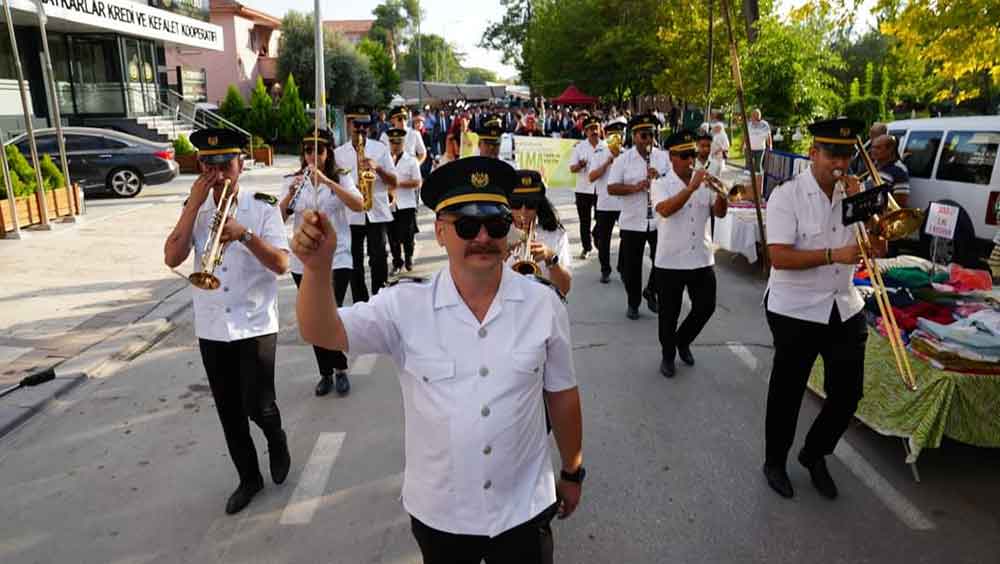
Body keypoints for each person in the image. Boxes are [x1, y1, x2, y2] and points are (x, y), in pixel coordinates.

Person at [292, 156, 585, 563]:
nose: (482, 236)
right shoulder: (404, 306)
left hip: (524, 508)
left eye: (495, 224)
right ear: (441, 232)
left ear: (509, 231)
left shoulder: (544, 304)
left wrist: (572, 471)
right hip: (441, 515)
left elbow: (563, 396)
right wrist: (317, 267)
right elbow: (321, 331)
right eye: (466, 225)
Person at [162, 128, 291, 515]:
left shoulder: (263, 206)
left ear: (241, 165)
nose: (218, 173)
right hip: (213, 326)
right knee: (229, 411)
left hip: (255, 323)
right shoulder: (196, 208)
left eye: (225, 164)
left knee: (258, 404)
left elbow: (282, 264)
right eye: (209, 164)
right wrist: (192, 206)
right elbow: (172, 258)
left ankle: (276, 435)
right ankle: (248, 478)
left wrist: (246, 235)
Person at [762, 118, 882, 501]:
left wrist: (874, 228)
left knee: (848, 394)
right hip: (794, 307)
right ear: (813, 153)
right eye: (832, 153)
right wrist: (833, 254)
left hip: (842, 304)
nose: (840, 163)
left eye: (846, 154)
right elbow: (778, 257)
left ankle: (814, 453)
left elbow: (873, 244)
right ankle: (775, 462)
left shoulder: (854, 195)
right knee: (788, 391)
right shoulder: (787, 196)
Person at [279, 128, 364, 396]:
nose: (313, 156)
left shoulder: (341, 178)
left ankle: (339, 370)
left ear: (328, 153)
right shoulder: (294, 180)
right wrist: (289, 194)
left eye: (319, 150)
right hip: (302, 259)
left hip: (337, 256)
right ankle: (326, 372)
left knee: (331, 311)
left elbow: (359, 205)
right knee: (315, 316)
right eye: (308, 151)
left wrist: (328, 182)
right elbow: (278, 217)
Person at [651, 131, 728, 378]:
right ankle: (668, 355)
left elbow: (719, 213)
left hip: (701, 258)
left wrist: (723, 196)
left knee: (706, 306)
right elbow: (665, 210)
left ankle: (682, 341)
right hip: (671, 260)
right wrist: (691, 188)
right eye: (684, 156)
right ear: (671, 158)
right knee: (668, 315)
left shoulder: (704, 182)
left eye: (693, 155)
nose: (690, 160)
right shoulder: (661, 184)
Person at [608, 113, 669, 320]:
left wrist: (659, 179)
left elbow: (674, 184)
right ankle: (633, 303)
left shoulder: (663, 157)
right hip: (633, 220)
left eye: (651, 135)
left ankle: (651, 290)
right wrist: (635, 187)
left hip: (658, 220)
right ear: (634, 137)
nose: (648, 140)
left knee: (663, 260)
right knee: (632, 267)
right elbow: (612, 188)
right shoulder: (623, 160)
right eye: (644, 135)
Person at [335, 104, 398, 302]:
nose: (361, 130)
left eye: (365, 127)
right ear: (348, 124)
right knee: (354, 263)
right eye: (357, 126)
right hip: (351, 215)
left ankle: (380, 301)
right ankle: (360, 304)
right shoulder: (338, 154)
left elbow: (394, 182)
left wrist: (377, 167)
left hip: (376, 211)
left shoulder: (380, 149)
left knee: (379, 259)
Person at [507, 169, 574, 296]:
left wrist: (550, 258)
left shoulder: (556, 234)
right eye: (516, 204)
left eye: (531, 205)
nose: (523, 211)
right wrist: (504, 251)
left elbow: (564, 289)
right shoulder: (496, 232)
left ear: (539, 205)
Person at [590, 120, 625, 283]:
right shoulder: (599, 153)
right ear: (607, 136)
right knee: (604, 239)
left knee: (627, 238)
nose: (617, 139)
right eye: (613, 136)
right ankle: (605, 269)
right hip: (605, 203)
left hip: (624, 204)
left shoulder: (627, 155)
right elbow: (591, 177)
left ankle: (623, 266)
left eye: (619, 135)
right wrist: (607, 162)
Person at [386, 128, 423, 275]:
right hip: (390, 204)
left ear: (403, 143)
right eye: (393, 143)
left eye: (398, 143)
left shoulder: (411, 160)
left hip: (406, 203)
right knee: (392, 235)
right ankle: (396, 262)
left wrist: (398, 184)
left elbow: (417, 182)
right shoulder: (385, 160)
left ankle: (408, 257)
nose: (395, 146)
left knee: (408, 235)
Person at [569, 116, 604, 260]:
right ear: (585, 131)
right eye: (590, 129)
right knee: (585, 221)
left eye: (596, 128)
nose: (594, 131)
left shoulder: (606, 146)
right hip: (583, 189)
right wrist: (580, 165)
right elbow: (572, 168)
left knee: (601, 219)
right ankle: (586, 247)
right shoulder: (579, 147)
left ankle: (597, 236)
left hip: (601, 190)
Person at [868, 134, 911, 208]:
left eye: (878, 148)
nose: (873, 150)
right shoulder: (874, 165)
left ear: (890, 149)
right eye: (872, 147)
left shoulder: (899, 170)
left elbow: (901, 202)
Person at [747, 109, 772, 194]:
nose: (754, 116)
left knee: (758, 167)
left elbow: (768, 135)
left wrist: (770, 145)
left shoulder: (764, 124)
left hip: (760, 149)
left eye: (756, 115)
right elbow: (745, 135)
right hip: (749, 149)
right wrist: (742, 145)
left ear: (759, 116)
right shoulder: (749, 124)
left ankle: (758, 188)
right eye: (753, 114)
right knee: (748, 167)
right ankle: (748, 188)